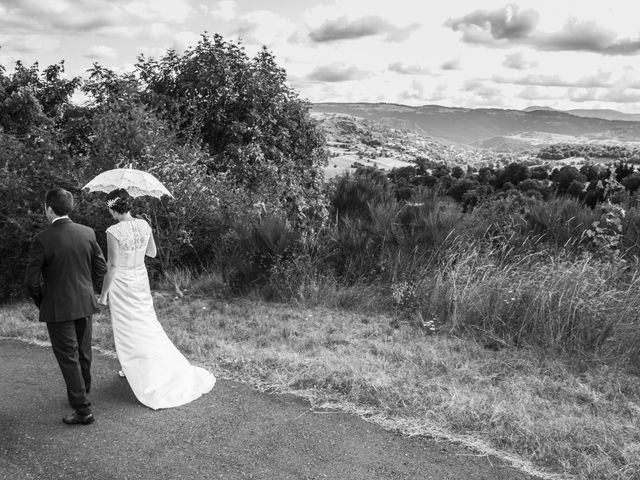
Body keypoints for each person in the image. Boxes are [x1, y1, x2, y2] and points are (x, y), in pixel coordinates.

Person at [98, 188, 215, 409]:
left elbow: (112, 266)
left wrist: (103, 294)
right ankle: (136, 364)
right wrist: (136, 247)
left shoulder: (113, 231)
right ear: (129, 205)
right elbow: (151, 253)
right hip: (140, 278)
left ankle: (137, 367)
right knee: (146, 322)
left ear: (113, 209)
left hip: (122, 281)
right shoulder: (144, 224)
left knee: (127, 326)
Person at [25, 188, 107, 425]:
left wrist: (43, 301)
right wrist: (83, 287)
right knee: (83, 351)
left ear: (49, 209)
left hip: (58, 307)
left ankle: (83, 410)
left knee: (68, 357)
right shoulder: (87, 232)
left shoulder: (42, 239)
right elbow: (101, 268)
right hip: (84, 301)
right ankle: (83, 390)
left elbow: (31, 281)